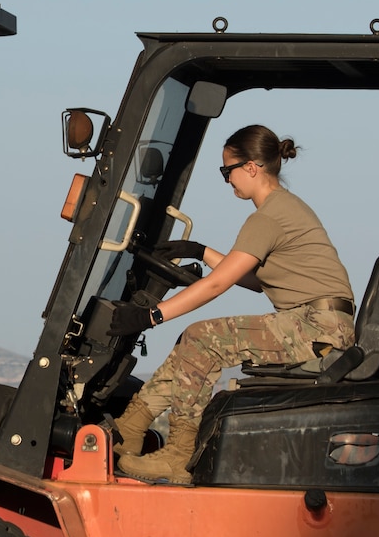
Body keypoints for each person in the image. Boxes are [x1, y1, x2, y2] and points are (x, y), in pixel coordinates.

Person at [110, 124, 356, 486]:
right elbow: (258, 282)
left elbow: (218, 284)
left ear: (252, 167)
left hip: (318, 328)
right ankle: (128, 431)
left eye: (228, 171)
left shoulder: (269, 215)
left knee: (203, 337)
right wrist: (199, 251)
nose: (227, 180)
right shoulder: (283, 208)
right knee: (190, 344)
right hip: (316, 322)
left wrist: (150, 316)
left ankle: (179, 455)